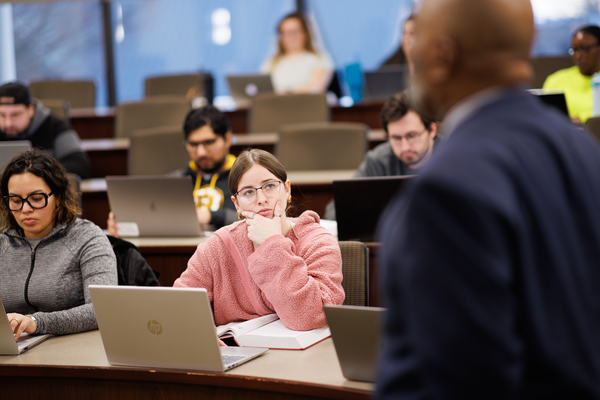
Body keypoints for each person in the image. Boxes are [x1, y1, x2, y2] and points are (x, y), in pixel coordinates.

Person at [377, 0, 600, 398]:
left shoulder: (446, 190)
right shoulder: (584, 151)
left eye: (418, 39)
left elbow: (454, 381)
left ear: (443, 55)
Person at [174, 149, 344, 331]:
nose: (261, 199)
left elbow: (313, 317)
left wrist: (272, 243)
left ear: (287, 189)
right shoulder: (217, 246)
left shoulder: (319, 242)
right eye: (248, 192)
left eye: (269, 186)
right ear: (236, 203)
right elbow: (178, 307)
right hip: (239, 352)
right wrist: (202, 335)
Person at [0, 149, 117, 339]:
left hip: (73, 348)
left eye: (36, 199)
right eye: (15, 200)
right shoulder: (2, 245)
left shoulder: (87, 238)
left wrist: (36, 322)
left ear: (59, 197)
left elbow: (102, 310)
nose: (25, 209)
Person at [108, 105, 237, 235]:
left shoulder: (245, 178)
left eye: (208, 142)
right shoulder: (172, 182)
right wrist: (123, 225)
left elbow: (254, 219)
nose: (201, 152)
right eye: (193, 144)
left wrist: (211, 217)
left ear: (227, 139)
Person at [325, 90, 440, 219]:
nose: (405, 146)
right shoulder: (378, 160)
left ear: (432, 130)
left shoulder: (453, 158)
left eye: (412, 136)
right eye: (396, 138)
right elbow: (336, 208)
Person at [0, 82, 91, 179]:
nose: (8, 123)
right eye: (2, 115)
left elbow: (80, 165)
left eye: (15, 115)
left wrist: (37, 174)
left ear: (30, 109)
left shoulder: (54, 126)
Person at [261, 12, 333, 94]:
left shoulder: (319, 59)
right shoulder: (271, 62)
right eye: (285, 33)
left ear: (305, 33)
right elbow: (264, 89)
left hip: (307, 104)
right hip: (275, 105)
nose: (290, 37)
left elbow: (316, 88)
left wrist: (286, 94)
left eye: (295, 32)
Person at [542, 25, 600, 124]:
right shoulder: (556, 80)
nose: (578, 55)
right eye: (574, 50)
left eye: (585, 49)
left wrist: (581, 119)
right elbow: (543, 114)